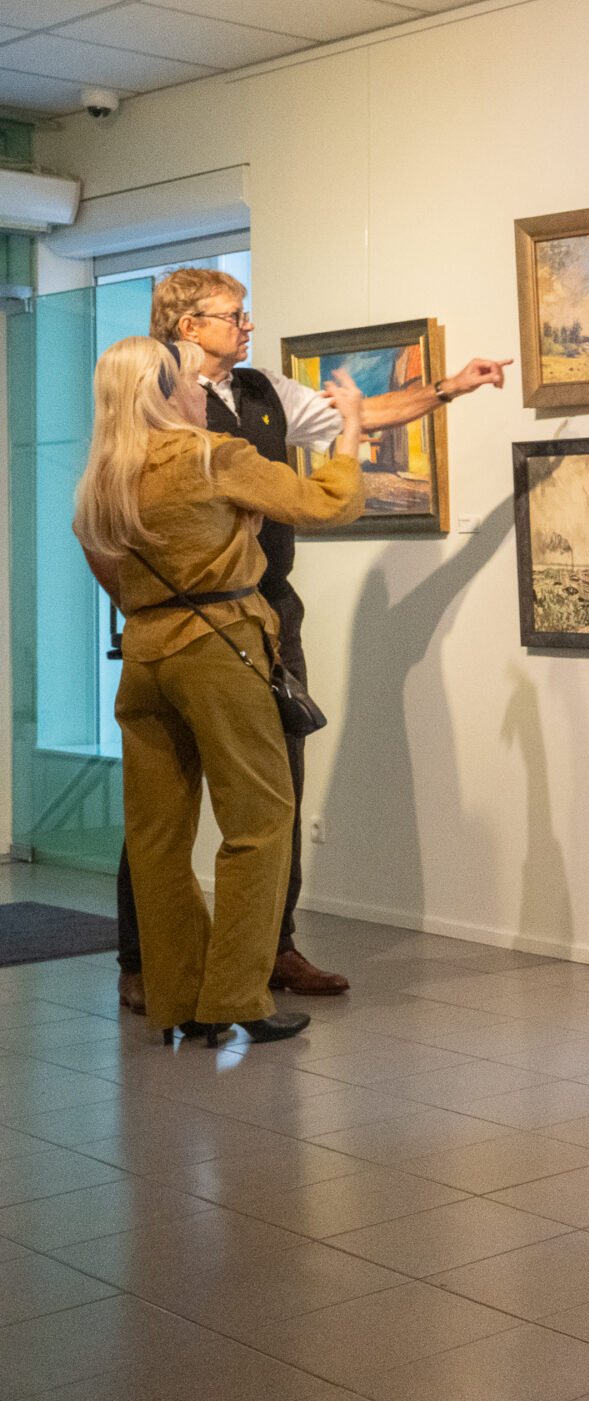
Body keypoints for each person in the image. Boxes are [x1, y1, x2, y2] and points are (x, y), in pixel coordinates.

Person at [113, 268, 511, 1015]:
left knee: (273, 789)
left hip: (263, 612)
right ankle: (152, 963)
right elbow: (327, 494)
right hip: (193, 623)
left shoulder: (258, 391)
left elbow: (358, 414)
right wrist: (150, 600)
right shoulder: (158, 404)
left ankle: (269, 946)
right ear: (188, 326)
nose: (247, 325)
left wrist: (449, 387)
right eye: (233, 315)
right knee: (176, 808)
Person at [75, 336, 366, 1045]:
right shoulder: (211, 455)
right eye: (190, 380)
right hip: (218, 648)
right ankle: (235, 996)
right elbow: (328, 502)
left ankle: (175, 996)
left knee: (156, 836)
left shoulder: (106, 475)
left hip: (144, 655)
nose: (202, 390)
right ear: (164, 391)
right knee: (260, 823)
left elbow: (102, 559)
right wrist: (350, 433)